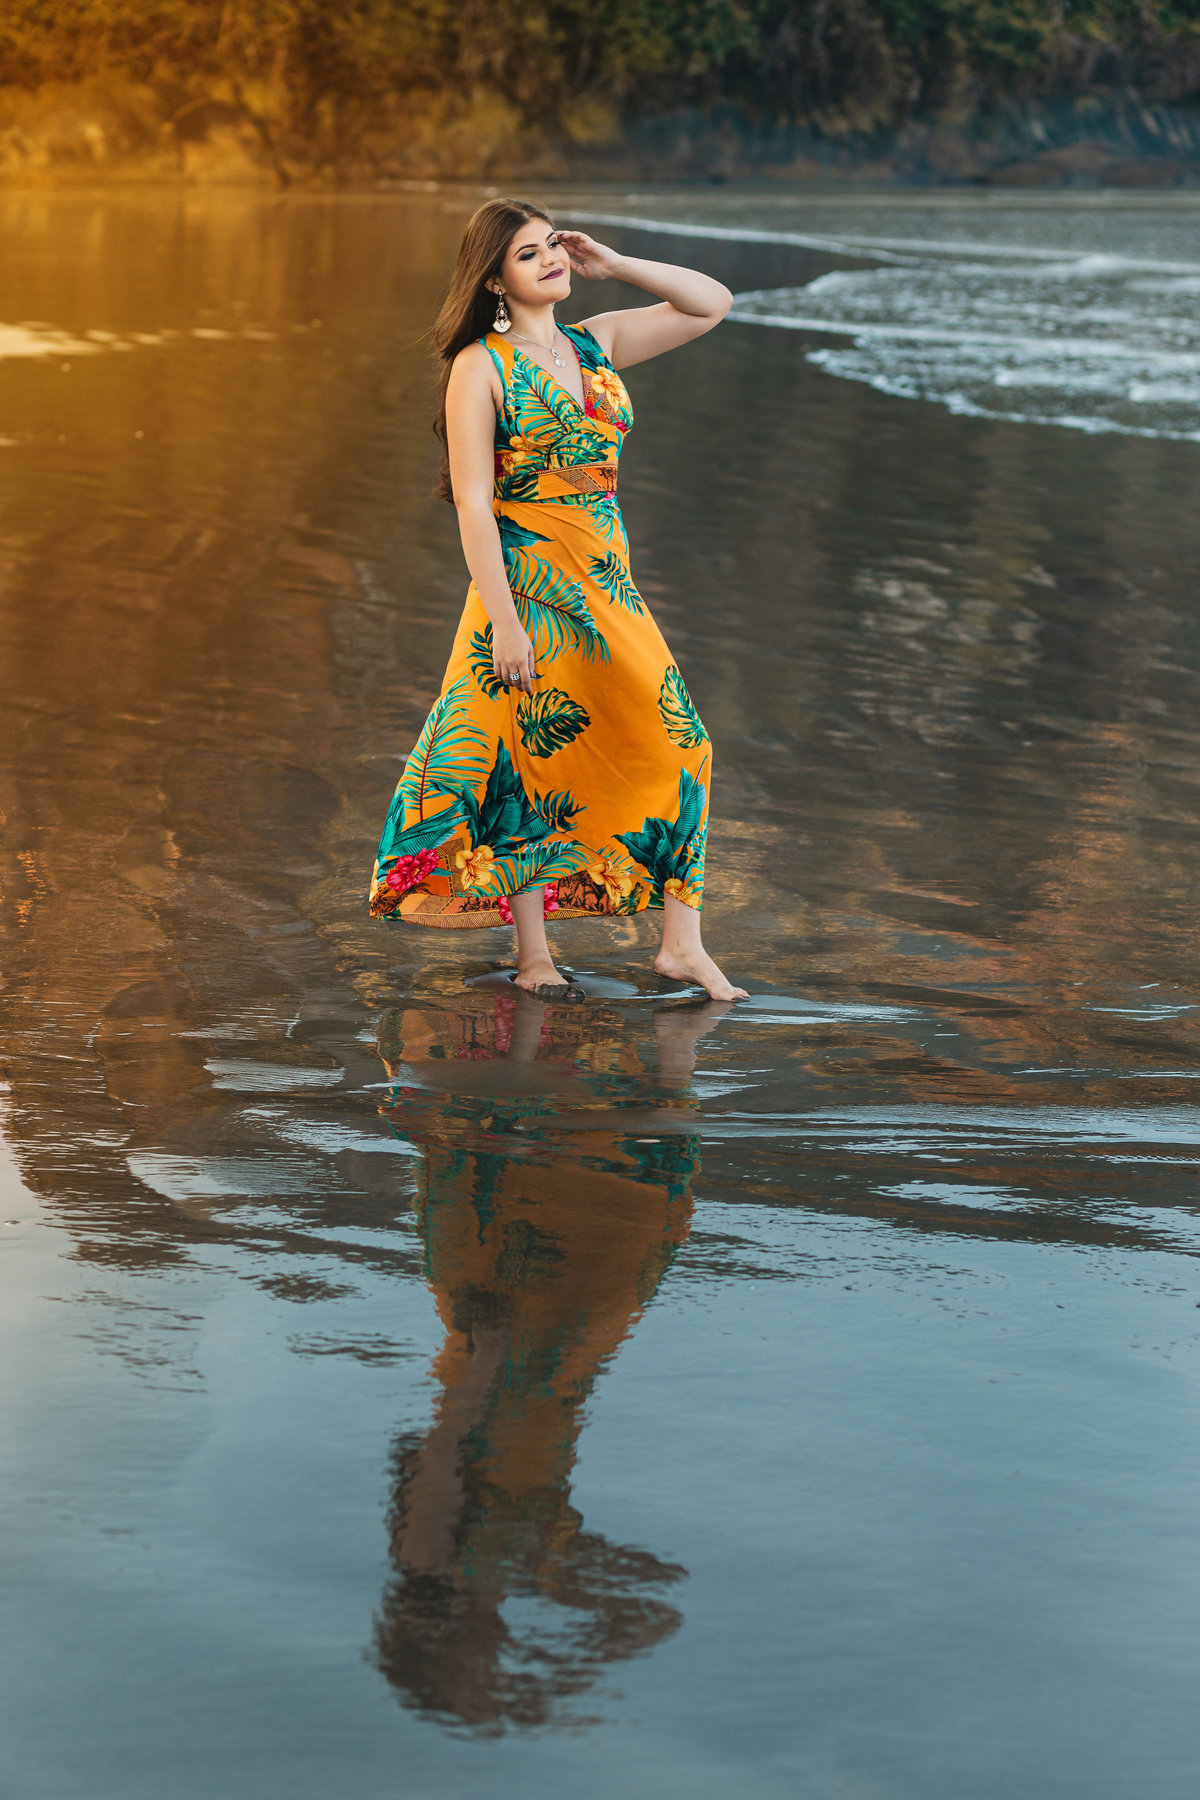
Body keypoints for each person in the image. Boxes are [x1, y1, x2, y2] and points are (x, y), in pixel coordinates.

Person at [368, 198, 747, 1003]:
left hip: (609, 586)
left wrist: (614, 262)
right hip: (527, 587)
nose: (550, 261)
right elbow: (475, 502)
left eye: (552, 247)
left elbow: (711, 302)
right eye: (527, 254)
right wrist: (504, 622)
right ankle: (533, 957)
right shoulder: (481, 364)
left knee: (686, 745)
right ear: (494, 279)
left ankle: (682, 945)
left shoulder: (597, 342)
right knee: (522, 759)